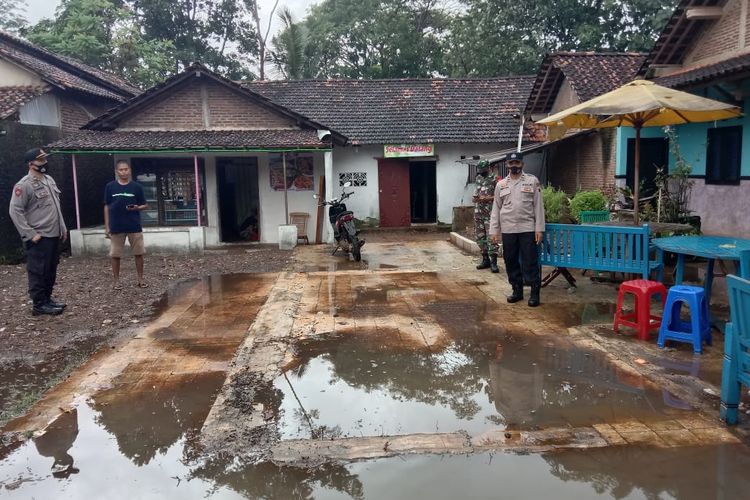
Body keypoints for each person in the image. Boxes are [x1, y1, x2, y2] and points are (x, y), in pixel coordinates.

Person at [8, 148, 68, 316]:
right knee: (38, 270)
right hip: (39, 236)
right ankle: (39, 304)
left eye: (45, 160)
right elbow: (15, 211)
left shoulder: (49, 180)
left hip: (53, 233)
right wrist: (29, 233)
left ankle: (47, 299)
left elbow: (56, 207)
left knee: (50, 268)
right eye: (40, 161)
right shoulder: (24, 185)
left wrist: (62, 227)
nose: (44, 163)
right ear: (31, 163)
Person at [489, 152, 545, 307]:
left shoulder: (532, 181)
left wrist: (539, 229)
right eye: (511, 163)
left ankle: (534, 293)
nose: (514, 165)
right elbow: (496, 209)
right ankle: (517, 290)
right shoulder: (500, 185)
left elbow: (538, 207)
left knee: (530, 261)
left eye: (517, 163)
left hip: (527, 228)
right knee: (510, 260)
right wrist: (494, 230)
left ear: (522, 164)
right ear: (507, 165)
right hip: (508, 230)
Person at [104, 160, 147, 289]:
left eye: (126, 169)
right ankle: (116, 281)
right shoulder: (110, 187)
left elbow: (145, 204)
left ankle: (140, 279)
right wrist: (107, 226)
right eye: (121, 170)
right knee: (115, 255)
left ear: (130, 170)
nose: (124, 172)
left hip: (134, 225)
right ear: (117, 171)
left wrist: (137, 208)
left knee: (139, 253)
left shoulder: (137, 187)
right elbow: (106, 206)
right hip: (116, 225)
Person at [472, 160, 500, 273]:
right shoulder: (478, 178)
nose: (481, 172)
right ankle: (485, 260)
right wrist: (475, 198)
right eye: (480, 170)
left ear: (488, 168)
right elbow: (476, 192)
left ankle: (494, 262)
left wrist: (487, 199)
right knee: (480, 237)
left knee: (491, 238)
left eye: (483, 170)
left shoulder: (496, 179)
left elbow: (499, 196)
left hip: (490, 213)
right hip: (478, 212)